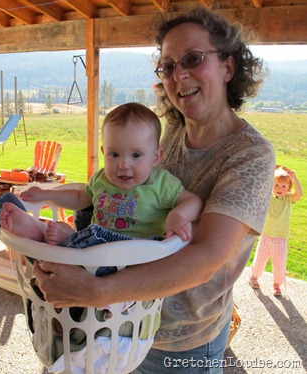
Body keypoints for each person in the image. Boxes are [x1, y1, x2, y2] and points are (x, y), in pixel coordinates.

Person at [30, 7, 275, 374]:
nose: (179, 75)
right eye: (168, 66)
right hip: (120, 324)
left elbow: (207, 258)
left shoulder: (249, 155)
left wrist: (97, 292)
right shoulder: (170, 131)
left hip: (181, 338)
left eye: (193, 59)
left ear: (228, 66)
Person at [0, 102, 203, 372]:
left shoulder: (161, 184)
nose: (123, 165)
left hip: (132, 261)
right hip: (91, 258)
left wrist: (178, 216)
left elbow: (193, 201)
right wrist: (48, 194)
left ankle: (55, 239)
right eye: (115, 154)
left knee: (86, 247)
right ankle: (40, 236)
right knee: (64, 260)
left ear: (156, 157)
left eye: (136, 155)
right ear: (104, 152)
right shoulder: (101, 180)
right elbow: (80, 197)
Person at [249, 165, 303, 296]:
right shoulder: (268, 196)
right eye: (277, 185)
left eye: (284, 186)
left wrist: (293, 176)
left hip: (280, 237)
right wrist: (271, 171)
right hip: (265, 234)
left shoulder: (289, 199)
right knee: (260, 259)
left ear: (288, 188)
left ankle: (277, 284)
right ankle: (253, 277)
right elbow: (260, 186)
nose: (280, 189)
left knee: (279, 262)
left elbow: (300, 193)